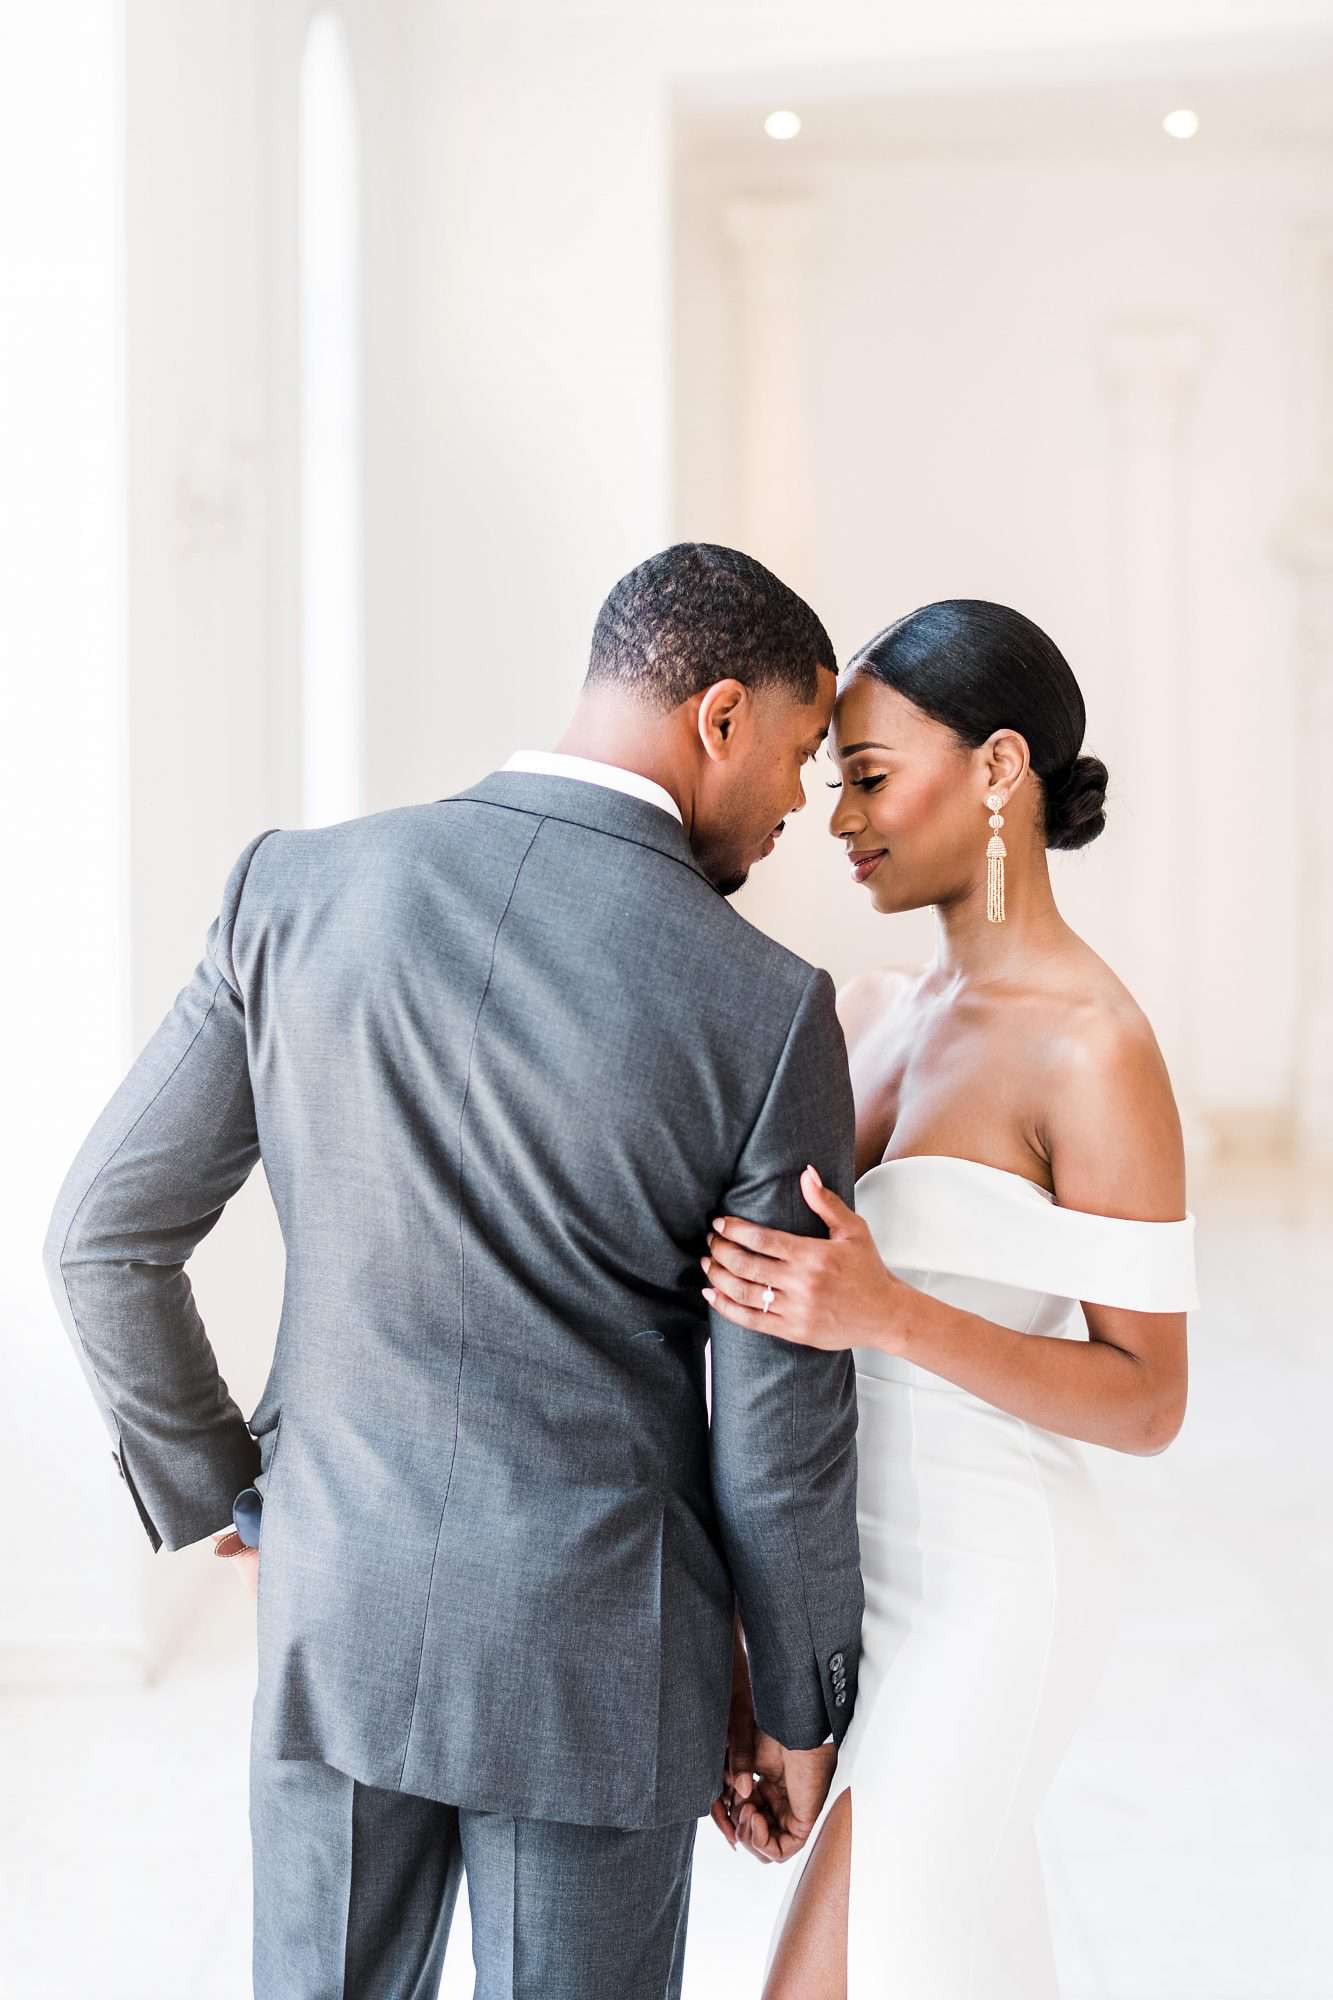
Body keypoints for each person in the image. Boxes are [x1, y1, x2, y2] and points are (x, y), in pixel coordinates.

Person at [40, 542, 865, 1999]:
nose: (796, 803)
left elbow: (102, 1236)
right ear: (718, 718)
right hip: (599, 1656)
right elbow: (779, 1428)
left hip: (337, 1599)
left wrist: (228, 1491)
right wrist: (798, 1705)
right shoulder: (765, 1010)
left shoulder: (293, 891)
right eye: (798, 755)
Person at [700, 599, 1199, 1999]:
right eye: (832, 779)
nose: (840, 814)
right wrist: (760, 1647)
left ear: (995, 769)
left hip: (997, 1586)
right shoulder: (866, 1010)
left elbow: (1149, 1399)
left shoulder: (1093, 1050)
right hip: (858, 1583)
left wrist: (893, 1314)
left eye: (868, 773)